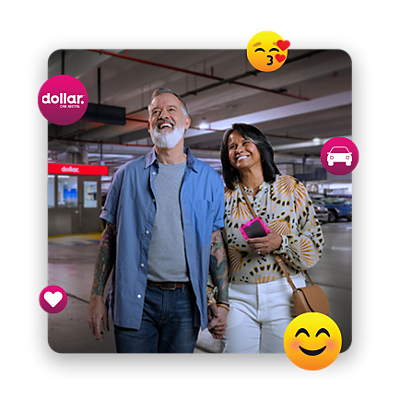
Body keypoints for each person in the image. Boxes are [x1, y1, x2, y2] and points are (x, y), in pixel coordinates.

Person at [87, 88, 229, 354]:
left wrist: (222, 302)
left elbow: (215, 240)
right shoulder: (126, 175)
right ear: (149, 125)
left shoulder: (209, 179)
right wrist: (96, 296)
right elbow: (110, 238)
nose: (163, 115)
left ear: (186, 122)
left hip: (185, 302)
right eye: (155, 112)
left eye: (171, 109)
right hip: (134, 299)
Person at [208, 123, 325, 353]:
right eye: (231, 146)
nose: (238, 149)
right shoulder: (222, 197)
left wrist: (282, 243)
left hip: (285, 294)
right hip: (238, 297)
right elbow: (212, 251)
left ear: (260, 146)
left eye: (244, 142)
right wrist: (212, 297)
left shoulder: (291, 188)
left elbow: (315, 243)